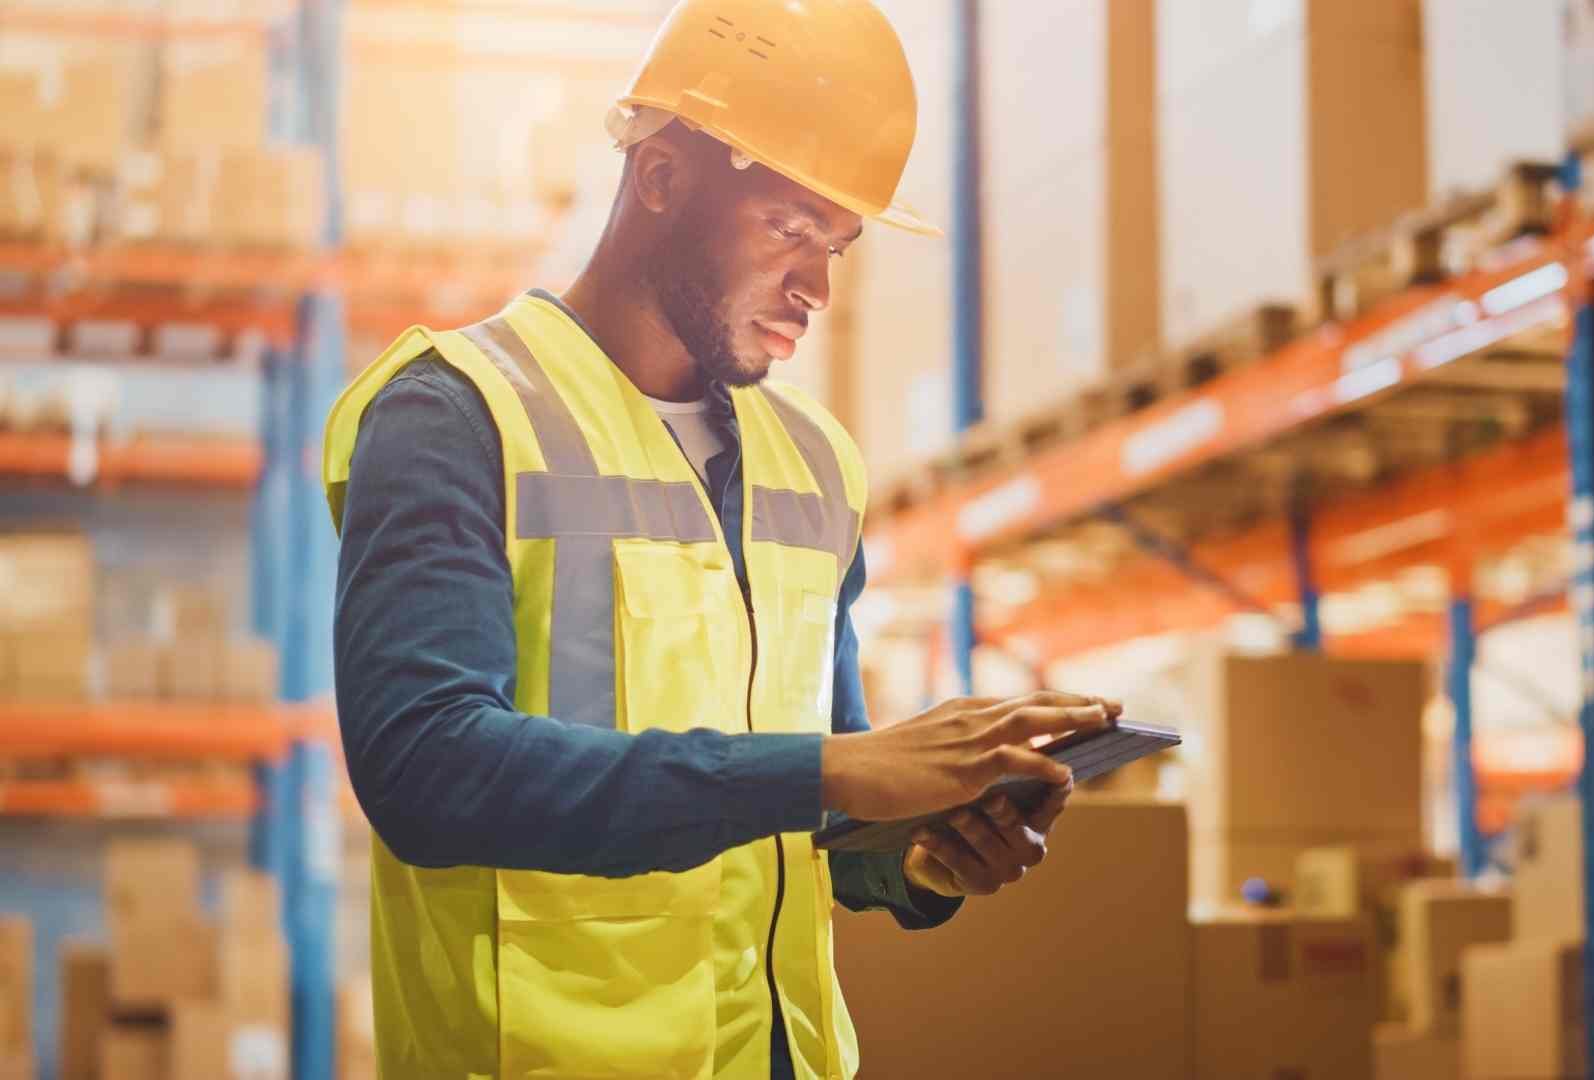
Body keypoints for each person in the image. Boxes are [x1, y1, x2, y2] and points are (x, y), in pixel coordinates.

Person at [321, 1, 1121, 1076]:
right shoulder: (455, 416)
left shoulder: (816, 468)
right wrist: (834, 772)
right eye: (792, 226)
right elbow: (427, 770)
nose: (819, 288)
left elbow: (820, 835)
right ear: (662, 179)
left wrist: (927, 852)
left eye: (837, 245)